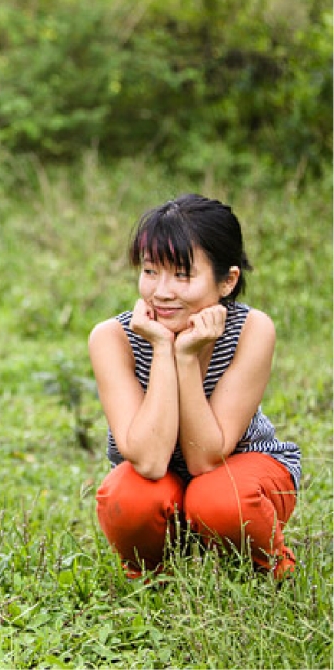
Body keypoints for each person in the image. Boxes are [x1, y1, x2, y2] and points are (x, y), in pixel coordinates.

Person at [89, 193, 301, 580]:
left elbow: (206, 460)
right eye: (150, 271)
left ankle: (270, 568)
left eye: (182, 275)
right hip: (160, 481)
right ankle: (154, 573)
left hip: (238, 468)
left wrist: (187, 358)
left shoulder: (252, 330)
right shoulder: (113, 338)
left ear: (227, 281)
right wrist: (161, 348)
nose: (161, 291)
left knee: (218, 499)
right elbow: (149, 462)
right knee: (128, 497)